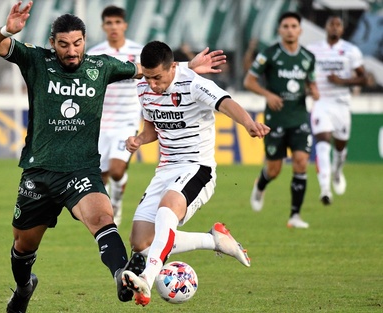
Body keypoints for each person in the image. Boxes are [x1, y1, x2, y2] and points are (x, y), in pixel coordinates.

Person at [0, 2, 228, 312]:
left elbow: (147, 69)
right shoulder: (35, 60)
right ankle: (23, 287)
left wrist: (188, 65)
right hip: (38, 172)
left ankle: (122, 276)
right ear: (52, 42)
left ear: (84, 40)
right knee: (24, 245)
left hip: (81, 170)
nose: (72, 50)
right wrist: (7, 30)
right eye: (63, 44)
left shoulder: (101, 66)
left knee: (102, 218)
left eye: (77, 43)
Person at [121, 40, 270, 307]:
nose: (153, 84)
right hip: (165, 169)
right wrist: (138, 140)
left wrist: (249, 123)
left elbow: (226, 102)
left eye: (158, 78)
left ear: (173, 67)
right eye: (147, 76)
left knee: (167, 211)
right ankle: (214, 240)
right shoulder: (143, 87)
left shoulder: (192, 83)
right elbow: (152, 128)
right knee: (141, 242)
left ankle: (146, 278)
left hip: (196, 167)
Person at [243, 12, 319, 228]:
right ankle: (260, 185)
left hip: (299, 117)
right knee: (274, 169)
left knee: (301, 162)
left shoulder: (307, 57)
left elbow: (311, 83)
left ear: (300, 30)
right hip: (274, 120)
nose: (289, 30)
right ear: (279, 30)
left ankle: (295, 215)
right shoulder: (269, 55)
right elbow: (248, 81)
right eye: (285, 26)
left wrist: (314, 92)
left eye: (294, 26)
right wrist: (268, 95)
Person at [86, 5, 144, 226]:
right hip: (100, 124)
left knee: (118, 170)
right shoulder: (94, 54)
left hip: (126, 122)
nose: (114, 27)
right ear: (103, 26)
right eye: (109, 23)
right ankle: (108, 210)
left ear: (125, 25)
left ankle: (117, 204)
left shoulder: (139, 52)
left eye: (117, 22)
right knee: (101, 177)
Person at [306, 16, 367, 205]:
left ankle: (338, 172)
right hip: (322, 103)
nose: (334, 27)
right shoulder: (313, 50)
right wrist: (310, 88)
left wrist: (343, 82)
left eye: (338, 25)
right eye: (331, 24)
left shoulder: (351, 51)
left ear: (342, 29)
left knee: (340, 148)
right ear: (325, 27)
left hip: (341, 104)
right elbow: (304, 73)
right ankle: (325, 190)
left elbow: (364, 78)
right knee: (323, 145)